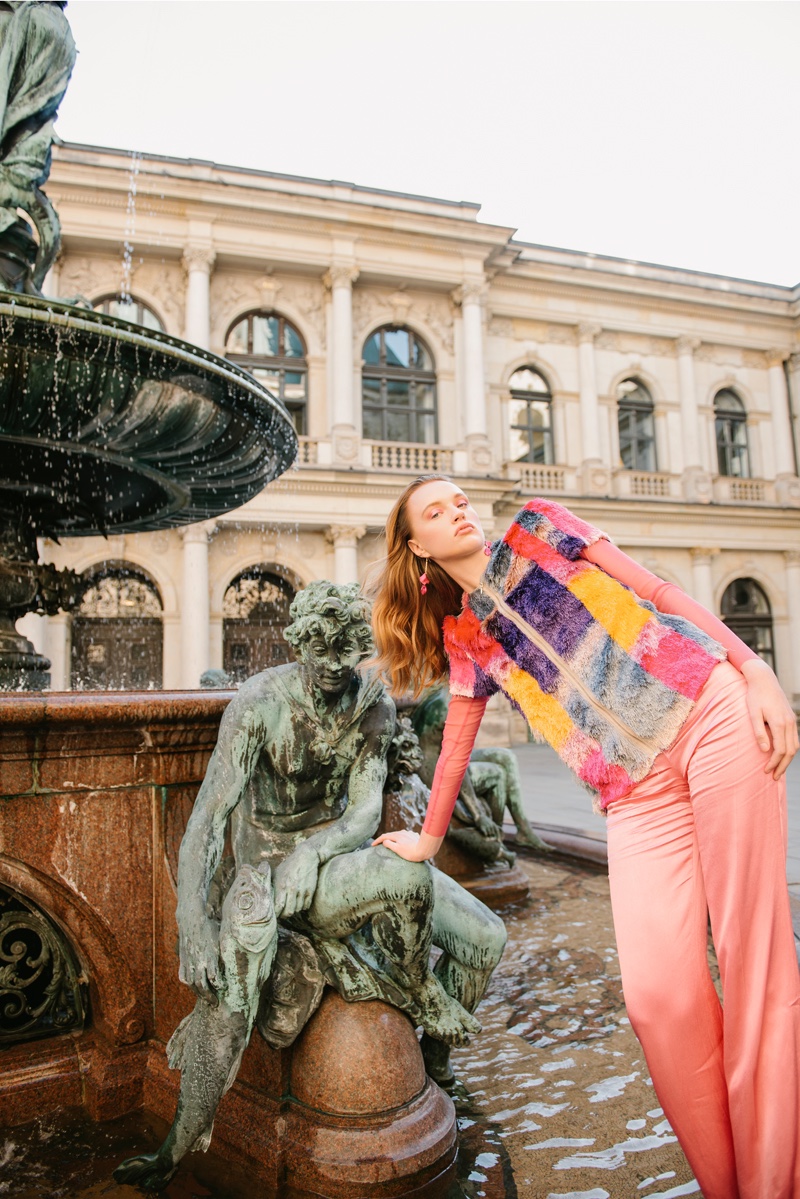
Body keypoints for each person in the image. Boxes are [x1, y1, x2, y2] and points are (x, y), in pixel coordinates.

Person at [371, 474, 800, 1199]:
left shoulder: (541, 524)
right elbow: (453, 746)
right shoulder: (466, 635)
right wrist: (424, 837)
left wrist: (754, 668)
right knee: (658, 999)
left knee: (751, 960)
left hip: (709, 714)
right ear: (417, 547)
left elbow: (659, 590)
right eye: (437, 512)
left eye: (460, 500)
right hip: (633, 793)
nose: (459, 512)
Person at [115, 580, 504, 1191]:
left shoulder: (372, 705)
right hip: (272, 874)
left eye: (345, 649)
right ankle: (416, 988)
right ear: (298, 642)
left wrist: (315, 853)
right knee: (399, 878)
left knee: (487, 936)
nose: (331, 663)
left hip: (337, 859)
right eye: (318, 648)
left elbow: (360, 815)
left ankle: (433, 1065)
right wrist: (193, 919)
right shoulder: (259, 702)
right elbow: (207, 823)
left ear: (358, 647)